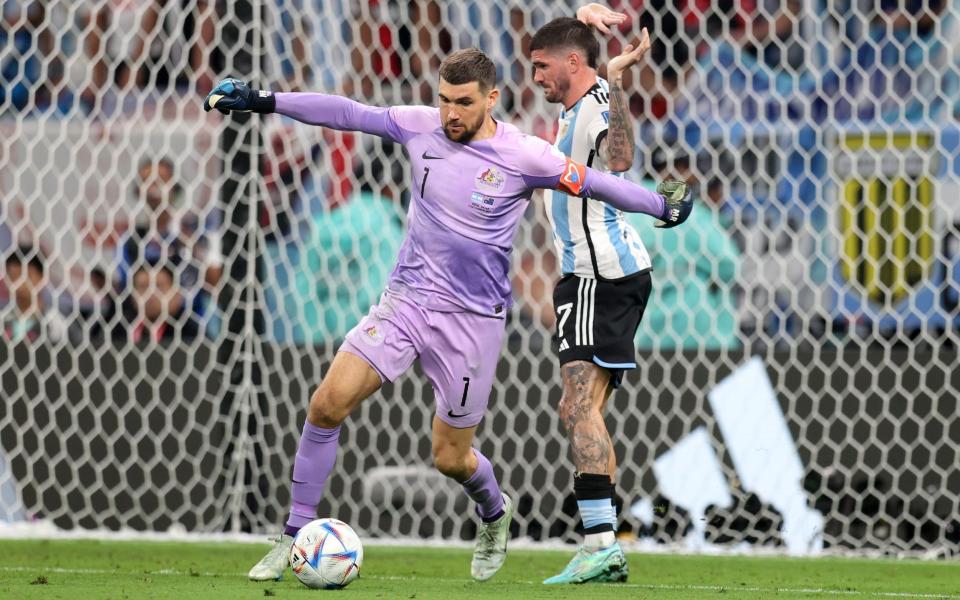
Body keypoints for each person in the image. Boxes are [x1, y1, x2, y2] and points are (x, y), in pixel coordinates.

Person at [203, 47, 690, 583]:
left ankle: (493, 512)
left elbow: (596, 183)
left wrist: (659, 204)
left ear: (491, 99)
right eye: (443, 101)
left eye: (462, 102)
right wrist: (263, 100)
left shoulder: (527, 155)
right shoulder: (420, 129)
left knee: (450, 457)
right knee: (326, 404)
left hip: (473, 322)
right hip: (406, 301)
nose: (450, 114)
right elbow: (346, 112)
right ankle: (295, 532)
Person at [528, 16, 667, 584]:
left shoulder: (596, 101)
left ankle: (601, 544)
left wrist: (612, 78)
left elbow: (620, 160)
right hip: (597, 274)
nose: (535, 77)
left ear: (572, 64)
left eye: (543, 66)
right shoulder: (574, 107)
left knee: (580, 407)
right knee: (579, 409)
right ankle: (606, 538)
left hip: (598, 275)